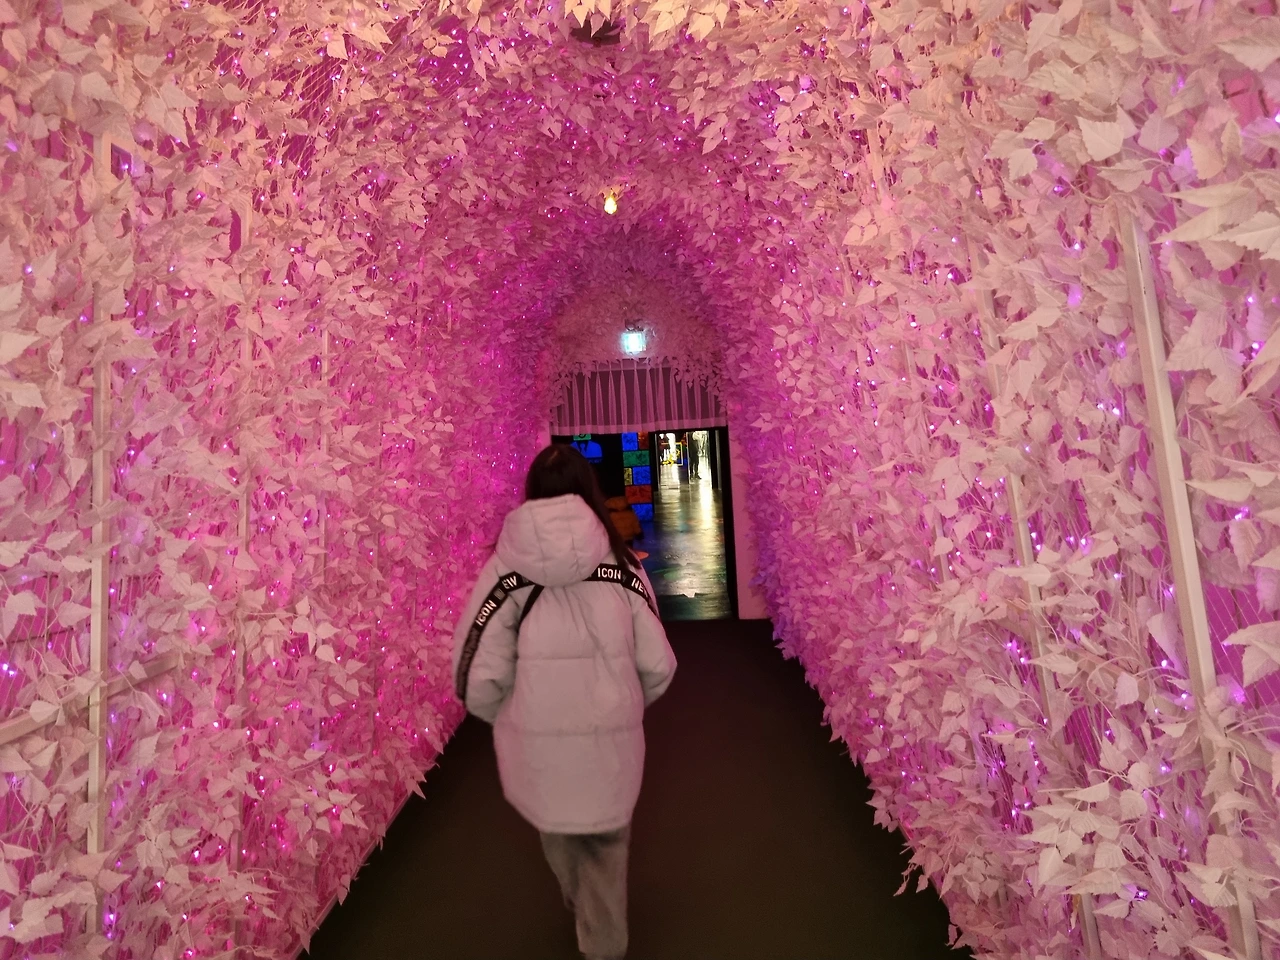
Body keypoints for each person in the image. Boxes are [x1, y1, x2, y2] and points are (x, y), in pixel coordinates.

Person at [452, 444, 677, 960]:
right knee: (604, 844)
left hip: (538, 743)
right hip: (609, 739)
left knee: (560, 829)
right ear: (589, 492)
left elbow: (476, 673)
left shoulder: (503, 572)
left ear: (531, 492)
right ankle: (601, 936)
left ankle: (591, 922)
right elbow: (659, 665)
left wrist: (508, 715)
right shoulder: (623, 566)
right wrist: (625, 702)